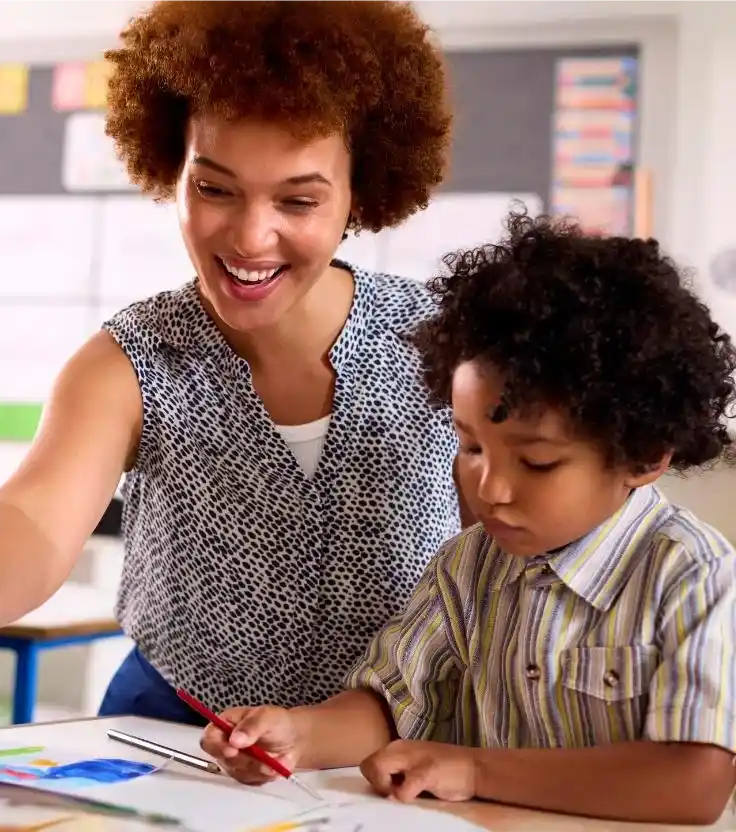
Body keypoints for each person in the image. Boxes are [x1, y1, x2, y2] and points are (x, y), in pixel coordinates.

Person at [0, 0, 466, 726]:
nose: (251, 237)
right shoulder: (130, 360)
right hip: (175, 736)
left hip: (399, 749)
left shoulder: (446, 346)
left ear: (361, 190)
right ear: (170, 171)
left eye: (298, 200)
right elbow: (34, 517)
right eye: (213, 189)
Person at [199, 213, 736, 826]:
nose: (489, 487)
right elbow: (389, 707)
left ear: (642, 456)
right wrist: (298, 733)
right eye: (471, 445)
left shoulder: (697, 575)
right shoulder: (470, 564)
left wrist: (476, 770)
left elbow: (694, 784)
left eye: (536, 462)